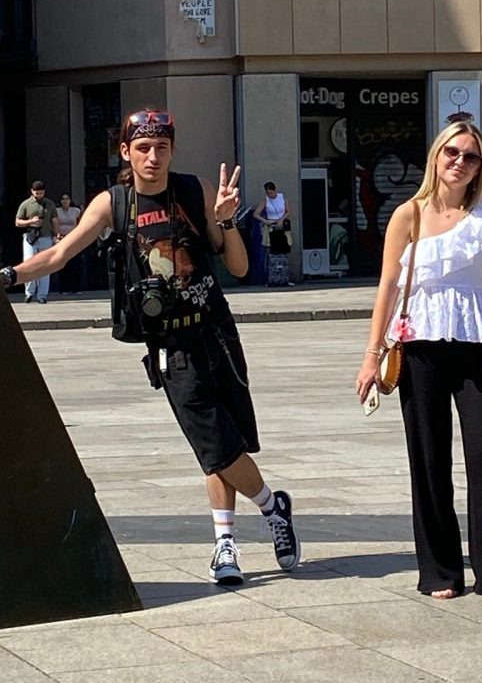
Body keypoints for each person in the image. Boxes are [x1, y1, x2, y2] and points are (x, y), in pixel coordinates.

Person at [0, 109, 300, 586]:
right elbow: (59, 253)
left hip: (215, 332)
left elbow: (240, 269)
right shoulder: (114, 203)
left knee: (221, 444)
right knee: (213, 441)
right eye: (142, 148)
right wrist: (9, 275)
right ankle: (271, 507)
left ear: (172, 150)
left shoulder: (196, 190)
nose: (152, 157)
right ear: (125, 152)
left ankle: (226, 542)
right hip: (170, 344)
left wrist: (226, 223)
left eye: (161, 147)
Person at [355, 121, 482, 601]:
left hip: (476, 345)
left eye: (471, 156)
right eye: (452, 152)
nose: (460, 162)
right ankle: (439, 570)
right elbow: (387, 287)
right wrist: (371, 356)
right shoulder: (408, 214)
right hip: (419, 346)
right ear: (436, 155)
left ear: (481, 166)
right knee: (428, 458)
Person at [15, 180, 59, 303]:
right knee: (29, 263)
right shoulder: (26, 204)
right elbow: (17, 222)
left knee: (45, 266)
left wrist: (57, 235)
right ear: (32, 191)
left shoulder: (49, 203)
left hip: (46, 236)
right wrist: (30, 222)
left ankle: (42, 295)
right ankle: (29, 292)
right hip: (31, 237)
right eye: (37, 193)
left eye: (41, 193)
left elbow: (55, 220)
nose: (39, 195)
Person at [253, 181, 293, 286]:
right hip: (271, 225)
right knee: (270, 250)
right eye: (268, 193)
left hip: (281, 225)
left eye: (271, 193)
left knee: (285, 248)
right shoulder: (266, 200)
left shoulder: (282, 197)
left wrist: (281, 219)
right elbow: (256, 214)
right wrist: (265, 221)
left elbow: (288, 211)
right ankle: (271, 277)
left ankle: (284, 276)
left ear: (275, 190)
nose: (270, 195)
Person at [56, 193, 82, 294]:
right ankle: (63, 288)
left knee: (75, 264)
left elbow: (81, 223)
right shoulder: (57, 211)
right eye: (63, 199)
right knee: (63, 264)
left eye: (67, 199)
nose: (65, 201)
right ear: (60, 201)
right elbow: (54, 224)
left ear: (70, 200)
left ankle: (76, 288)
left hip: (73, 239)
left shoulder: (76, 211)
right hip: (61, 239)